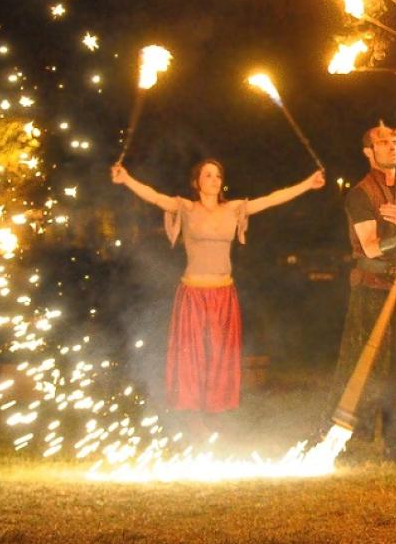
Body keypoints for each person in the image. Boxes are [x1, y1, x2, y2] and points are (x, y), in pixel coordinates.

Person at [111, 160, 324, 430]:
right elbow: (154, 197)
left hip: (223, 293)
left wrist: (308, 183)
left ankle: (216, 416)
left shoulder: (233, 209)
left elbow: (272, 200)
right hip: (193, 293)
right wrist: (126, 179)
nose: (213, 179)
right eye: (207, 175)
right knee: (193, 357)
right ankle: (191, 417)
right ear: (196, 182)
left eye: (217, 175)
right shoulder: (186, 208)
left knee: (220, 356)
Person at [327, 121, 396, 462]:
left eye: (394, 141)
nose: (392, 146)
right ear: (368, 152)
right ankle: (344, 438)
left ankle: (395, 441)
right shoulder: (360, 194)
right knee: (365, 366)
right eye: (383, 142)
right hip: (372, 290)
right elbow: (372, 249)